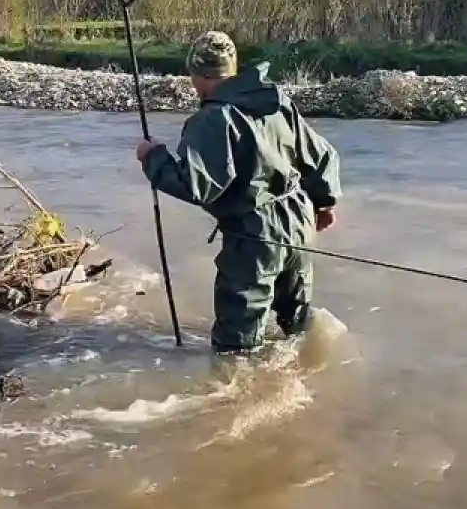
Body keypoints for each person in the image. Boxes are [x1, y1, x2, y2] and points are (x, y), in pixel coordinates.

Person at [135, 31, 342, 355]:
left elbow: (196, 186)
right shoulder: (276, 100)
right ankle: (310, 382)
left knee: (237, 344)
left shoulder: (212, 119)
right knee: (297, 321)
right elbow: (321, 154)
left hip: (255, 234)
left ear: (197, 75)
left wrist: (152, 157)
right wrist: (325, 202)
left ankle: (244, 399)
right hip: (300, 218)